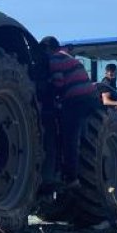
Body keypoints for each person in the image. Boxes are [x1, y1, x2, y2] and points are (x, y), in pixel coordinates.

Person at [40, 36, 101, 188]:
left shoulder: (54, 59)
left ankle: (71, 178)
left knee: (69, 138)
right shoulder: (68, 57)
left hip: (75, 100)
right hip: (90, 98)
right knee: (80, 134)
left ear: (48, 48)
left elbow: (59, 83)